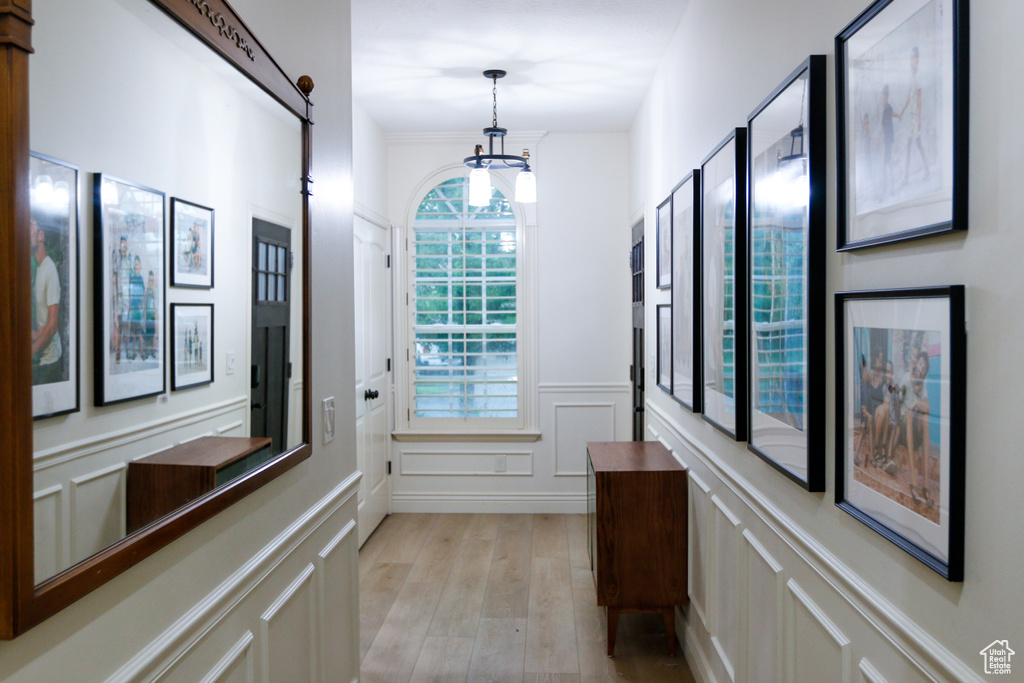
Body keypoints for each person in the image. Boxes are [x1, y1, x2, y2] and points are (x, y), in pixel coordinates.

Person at [31, 219, 63, 385]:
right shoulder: (39, 268)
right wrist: (35, 334)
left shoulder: (49, 270)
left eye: (30, 225)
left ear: (41, 235)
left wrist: (30, 353)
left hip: (49, 364)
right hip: (42, 361)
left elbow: (51, 327)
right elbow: (43, 324)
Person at [903, 348, 932, 505]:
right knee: (909, 414)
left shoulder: (924, 380)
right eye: (918, 362)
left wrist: (916, 403)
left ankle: (926, 485)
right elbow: (904, 391)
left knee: (925, 417)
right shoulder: (908, 377)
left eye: (923, 364)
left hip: (916, 426)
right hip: (903, 425)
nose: (921, 366)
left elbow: (927, 408)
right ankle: (913, 482)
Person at [898, 47, 929, 186]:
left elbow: (919, 98)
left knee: (916, 144)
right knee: (913, 145)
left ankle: (923, 172)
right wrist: (902, 111)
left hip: (916, 117)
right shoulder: (912, 76)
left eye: (912, 58)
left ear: (917, 59)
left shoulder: (919, 76)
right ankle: (906, 177)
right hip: (911, 117)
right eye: (910, 58)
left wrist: (920, 119)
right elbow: (909, 97)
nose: (911, 61)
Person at [112, 235, 133, 362]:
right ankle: (119, 352)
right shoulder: (117, 260)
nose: (124, 247)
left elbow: (131, 279)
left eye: (125, 245)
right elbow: (115, 278)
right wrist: (117, 293)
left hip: (127, 296)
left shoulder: (129, 261)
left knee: (128, 324)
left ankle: (128, 351)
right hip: (120, 296)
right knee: (119, 324)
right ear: (120, 246)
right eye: (122, 245)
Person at [128, 255, 145, 360]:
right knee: (133, 332)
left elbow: (143, 292)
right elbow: (130, 291)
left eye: (138, 264)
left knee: (139, 332)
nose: (136, 266)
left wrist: (141, 305)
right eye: (135, 264)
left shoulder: (141, 278)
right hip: (133, 307)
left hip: (138, 307)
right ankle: (134, 351)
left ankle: (142, 352)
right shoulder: (132, 277)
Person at [144, 270, 158, 360]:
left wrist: (155, 312)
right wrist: (145, 314)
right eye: (149, 280)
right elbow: (145, 304)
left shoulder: (154, 292)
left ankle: (152, 351)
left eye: (152, 280)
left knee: (152, 334)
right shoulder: (146, 292)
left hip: (152, 315)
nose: (151, 282)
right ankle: (147, 351)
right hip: (147, 315)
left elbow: (155, 303)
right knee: (148, 334)